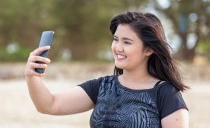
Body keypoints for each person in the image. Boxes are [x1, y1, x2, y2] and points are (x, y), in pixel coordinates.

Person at [25, 12, 189, 128]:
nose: (118, 47)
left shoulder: (166, 94)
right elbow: (49, 105)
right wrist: (32, 76)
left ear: (148, 50)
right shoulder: (102, 86)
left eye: (127, 42)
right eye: (116, 39)